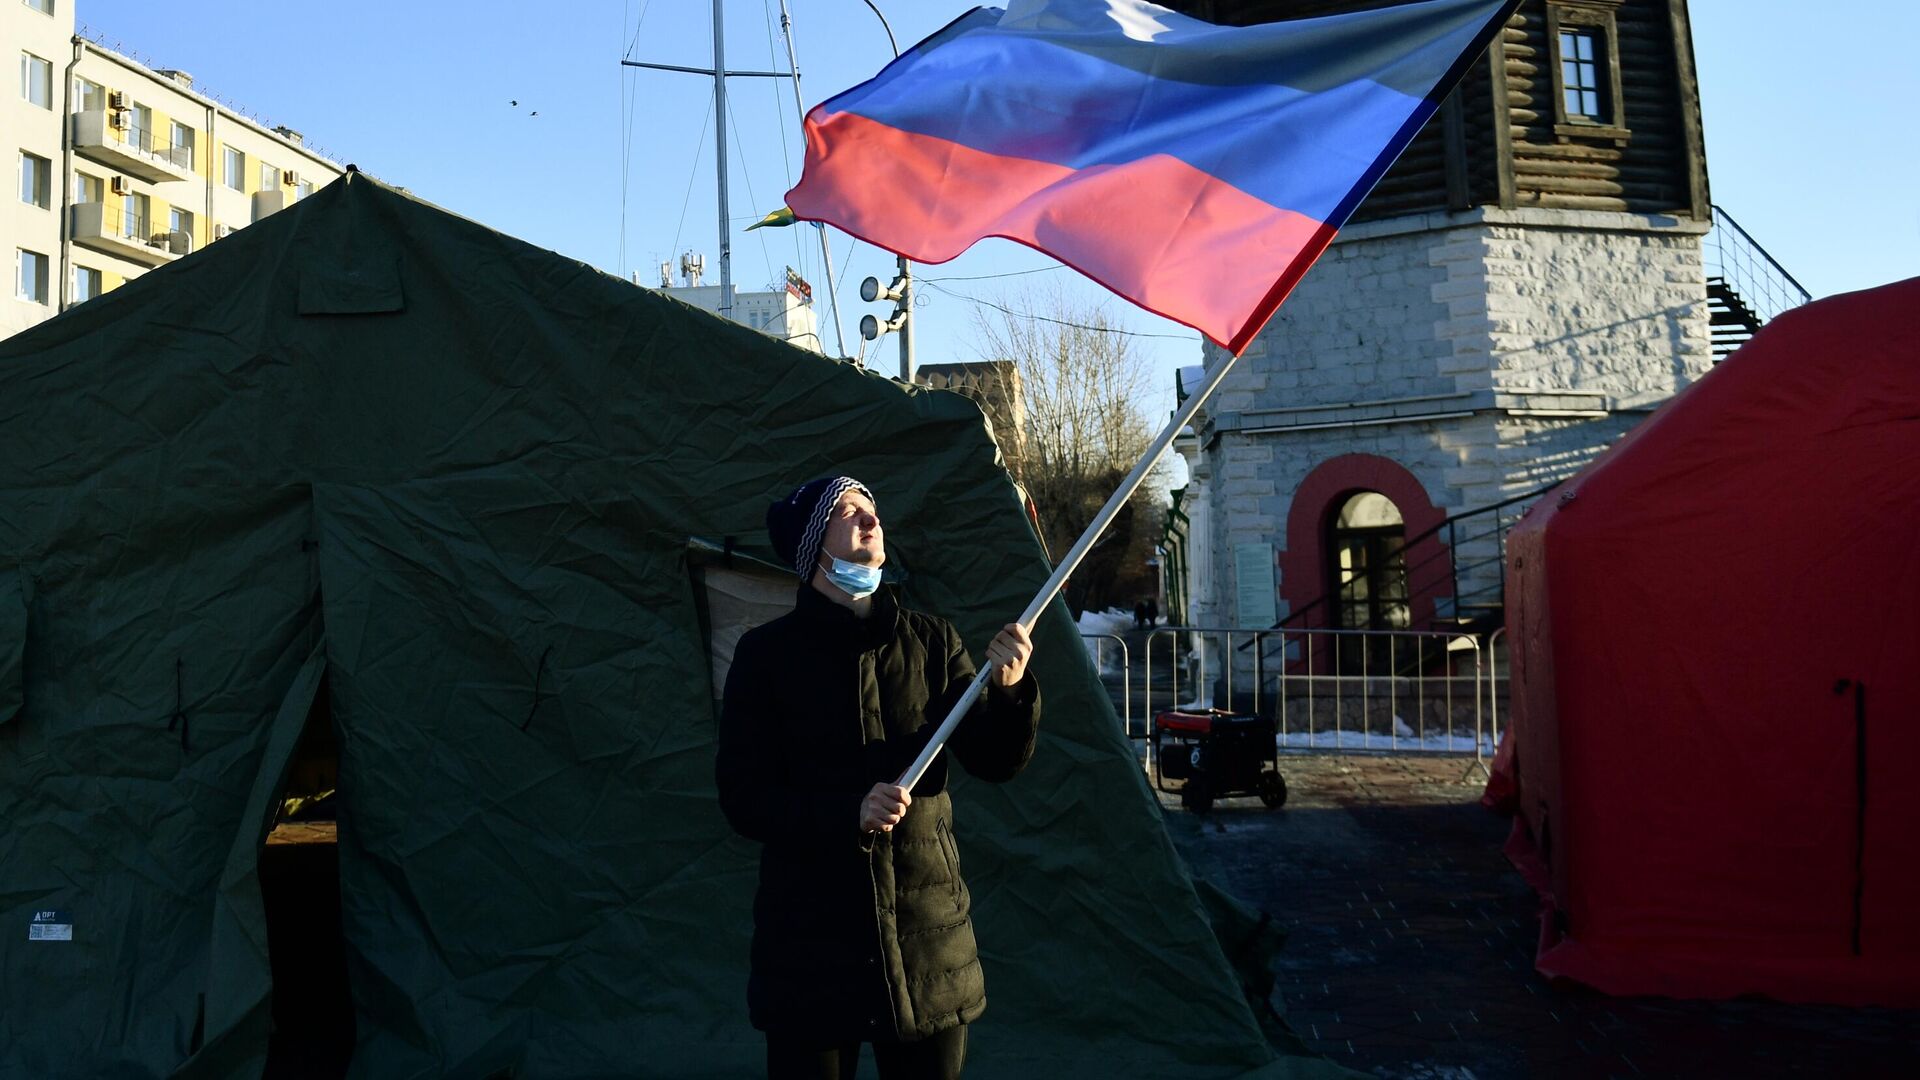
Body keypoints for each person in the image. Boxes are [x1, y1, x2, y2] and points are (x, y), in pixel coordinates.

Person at [716, 476, 1041, 1080]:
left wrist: (1011, 690)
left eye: (872, 507)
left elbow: (996, 761)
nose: (870, 519)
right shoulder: (766, 658)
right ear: (815, 547)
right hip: (809, 955)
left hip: (926, 950)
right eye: (847, 511)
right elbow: (744, 797)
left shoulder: (933, 641)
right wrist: (847, 812)